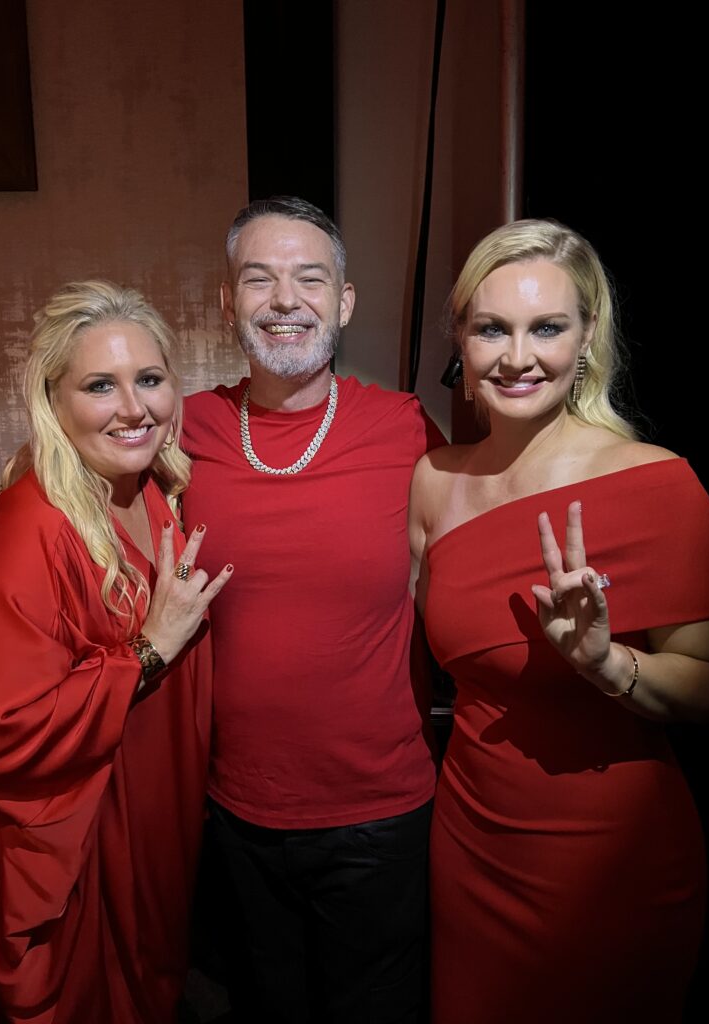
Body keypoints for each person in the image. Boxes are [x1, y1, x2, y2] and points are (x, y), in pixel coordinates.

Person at [409, 219, 709, 1023]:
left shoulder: (660, 485)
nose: (517, 357)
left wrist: (609, 665)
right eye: (491, 329)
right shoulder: (434, 480)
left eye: (546, 328)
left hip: (611, 863)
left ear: (586, 340)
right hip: (471, 843)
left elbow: (706, 687)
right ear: (461, 341)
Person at [183, 196, 443, 1023]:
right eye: (259, 279)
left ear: (345, 300)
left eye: (310, 278)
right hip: (234, 810)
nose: (285, 300)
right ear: (228, 302)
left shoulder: (406, 429)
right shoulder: (184, 430)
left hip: (382, 813)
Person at [0, 281, 232, 1024]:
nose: (134, 408)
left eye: (150, 379)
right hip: (82, 844)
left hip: (157, 819)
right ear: (54, 401)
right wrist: (148, 651)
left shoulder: (156, 494)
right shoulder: (27, 528)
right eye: (100, 385)